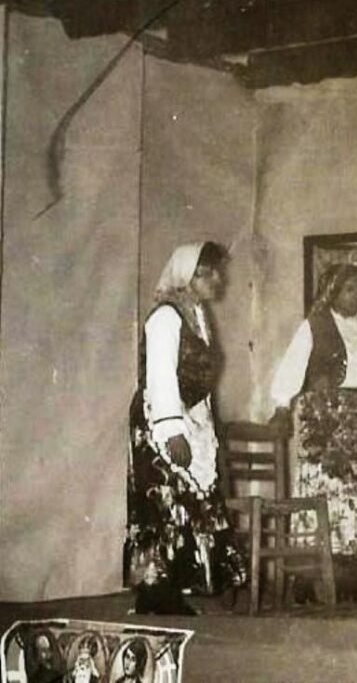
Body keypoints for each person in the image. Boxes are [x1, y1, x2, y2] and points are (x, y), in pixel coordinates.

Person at [125, 242, 246, 615]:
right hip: (162, 418)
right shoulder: (166, 317)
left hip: (190, 416)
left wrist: (203, 427)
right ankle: (157, 593)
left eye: (216, 272)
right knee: (163, 502)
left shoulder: (197, 315)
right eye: (208, 273)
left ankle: (176, 587)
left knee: (187, 500)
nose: (217, 279)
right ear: (187, 276)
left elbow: (198, 378)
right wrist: (172, 430)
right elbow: (160, 375)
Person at [269, 263, 357, 603]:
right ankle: (307, 577)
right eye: (349, 289)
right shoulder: (314, 326)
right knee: (325, 496)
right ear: (333, 292)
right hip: (323, 421)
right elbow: (291, 368)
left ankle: (350, 579)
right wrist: (282, 406)